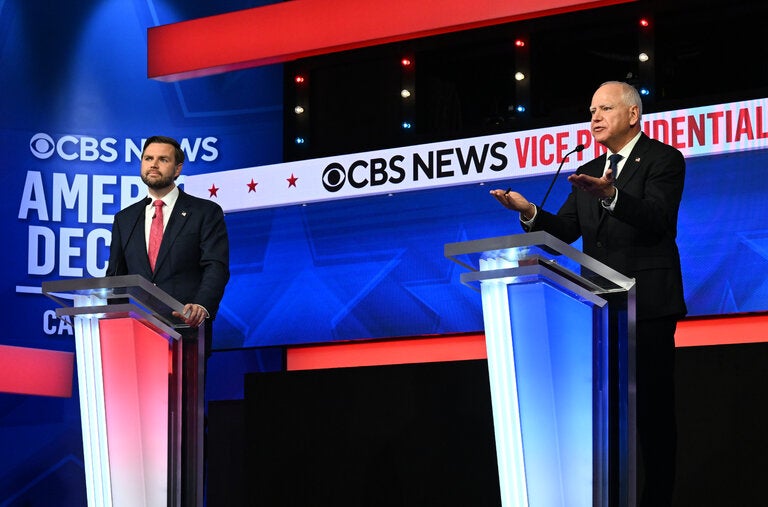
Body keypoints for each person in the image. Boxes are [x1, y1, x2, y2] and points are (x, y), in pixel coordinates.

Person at [491, 81, 686, 506]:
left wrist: (612, 194)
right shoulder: (589, 167)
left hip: (648, 306)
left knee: (653, 415)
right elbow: (565, 230)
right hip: (599, 309)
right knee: (607, 420)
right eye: (591, 109)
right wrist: (529, 211)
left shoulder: (663, 159)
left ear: (632, 114)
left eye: (604, 108)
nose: (594, 117)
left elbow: (658, 219)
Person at [106, 135, 230, 505]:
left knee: (183, 426)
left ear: (178, 168)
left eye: (162, 159)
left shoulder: (205, 212)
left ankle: (185, 496)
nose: (153, 165)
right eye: (147, 159)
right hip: (135, 337)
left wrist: (201, 307)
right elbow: (116, 277)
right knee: (138, 429)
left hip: (184, 334)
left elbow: (216, 268)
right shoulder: (125, 218)